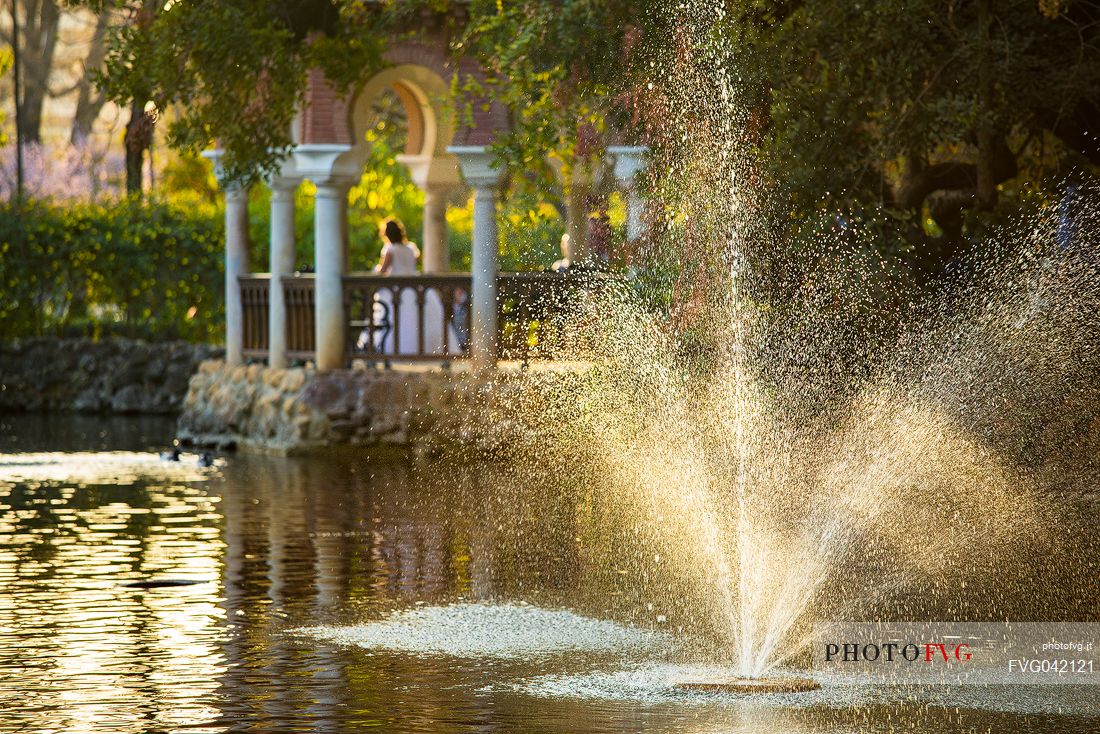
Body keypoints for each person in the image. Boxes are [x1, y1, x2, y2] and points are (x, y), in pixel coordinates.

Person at [368, 218, 460, 355]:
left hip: (396, 290)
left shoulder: (390, 250)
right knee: (421, 320)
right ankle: (426, 350)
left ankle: (396, 351)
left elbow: (383, 271)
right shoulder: (410, 248)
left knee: (398, 320)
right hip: (415, 288)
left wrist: (375, 269)